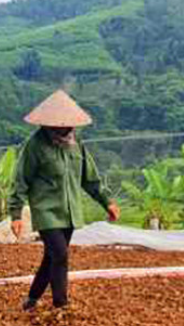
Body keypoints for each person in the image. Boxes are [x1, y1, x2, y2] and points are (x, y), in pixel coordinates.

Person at [8, 90, 121, 311]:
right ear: (49, 123)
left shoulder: (76, 144)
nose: (66, 128)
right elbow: (21, 180)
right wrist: (16, 214)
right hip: (46, 210)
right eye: (60, 125)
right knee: (60, 254)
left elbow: (90, 179)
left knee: (51, 258)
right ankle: (61, 304)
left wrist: (107, 202)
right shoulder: (35, 145)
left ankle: (31, 299)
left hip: (70, 211)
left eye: (69, 125)